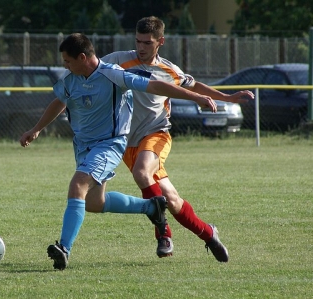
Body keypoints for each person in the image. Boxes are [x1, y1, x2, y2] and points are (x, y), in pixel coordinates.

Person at [19, 33, 219, 270]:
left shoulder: (112, 74)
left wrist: (196, 97)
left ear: (82, 57)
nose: (65, 65)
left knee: (77, 186)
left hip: (108, 145)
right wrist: (37, 129)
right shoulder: (72, 78)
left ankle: (64, 248)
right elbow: (59, 101)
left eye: (68, 61)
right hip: (83, 147)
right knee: (94, 202)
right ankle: (151, 207)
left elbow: (155, 85)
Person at [101, 16, 255, 262]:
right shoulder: (118, 60)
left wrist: (228, 98)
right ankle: (208, 232)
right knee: (172, 201)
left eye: (147, 43)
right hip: (128, 143)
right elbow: (92, 69)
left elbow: (194, 86)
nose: (141, 47)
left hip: (156, 133)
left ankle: (163, 234)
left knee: (142, 173)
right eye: (138, 41)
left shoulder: (168, 71)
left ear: (160, 42)